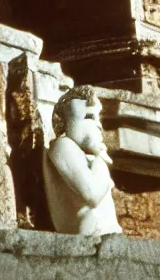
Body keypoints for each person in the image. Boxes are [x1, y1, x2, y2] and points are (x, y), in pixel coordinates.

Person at [43, 86, 122, 236]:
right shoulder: (62, 145)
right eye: (90, 117)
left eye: (97, 117)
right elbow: (93, 195)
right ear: (68, 123)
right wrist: (100, 158)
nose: (98, 125)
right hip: (90, 239)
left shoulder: (81, 154)